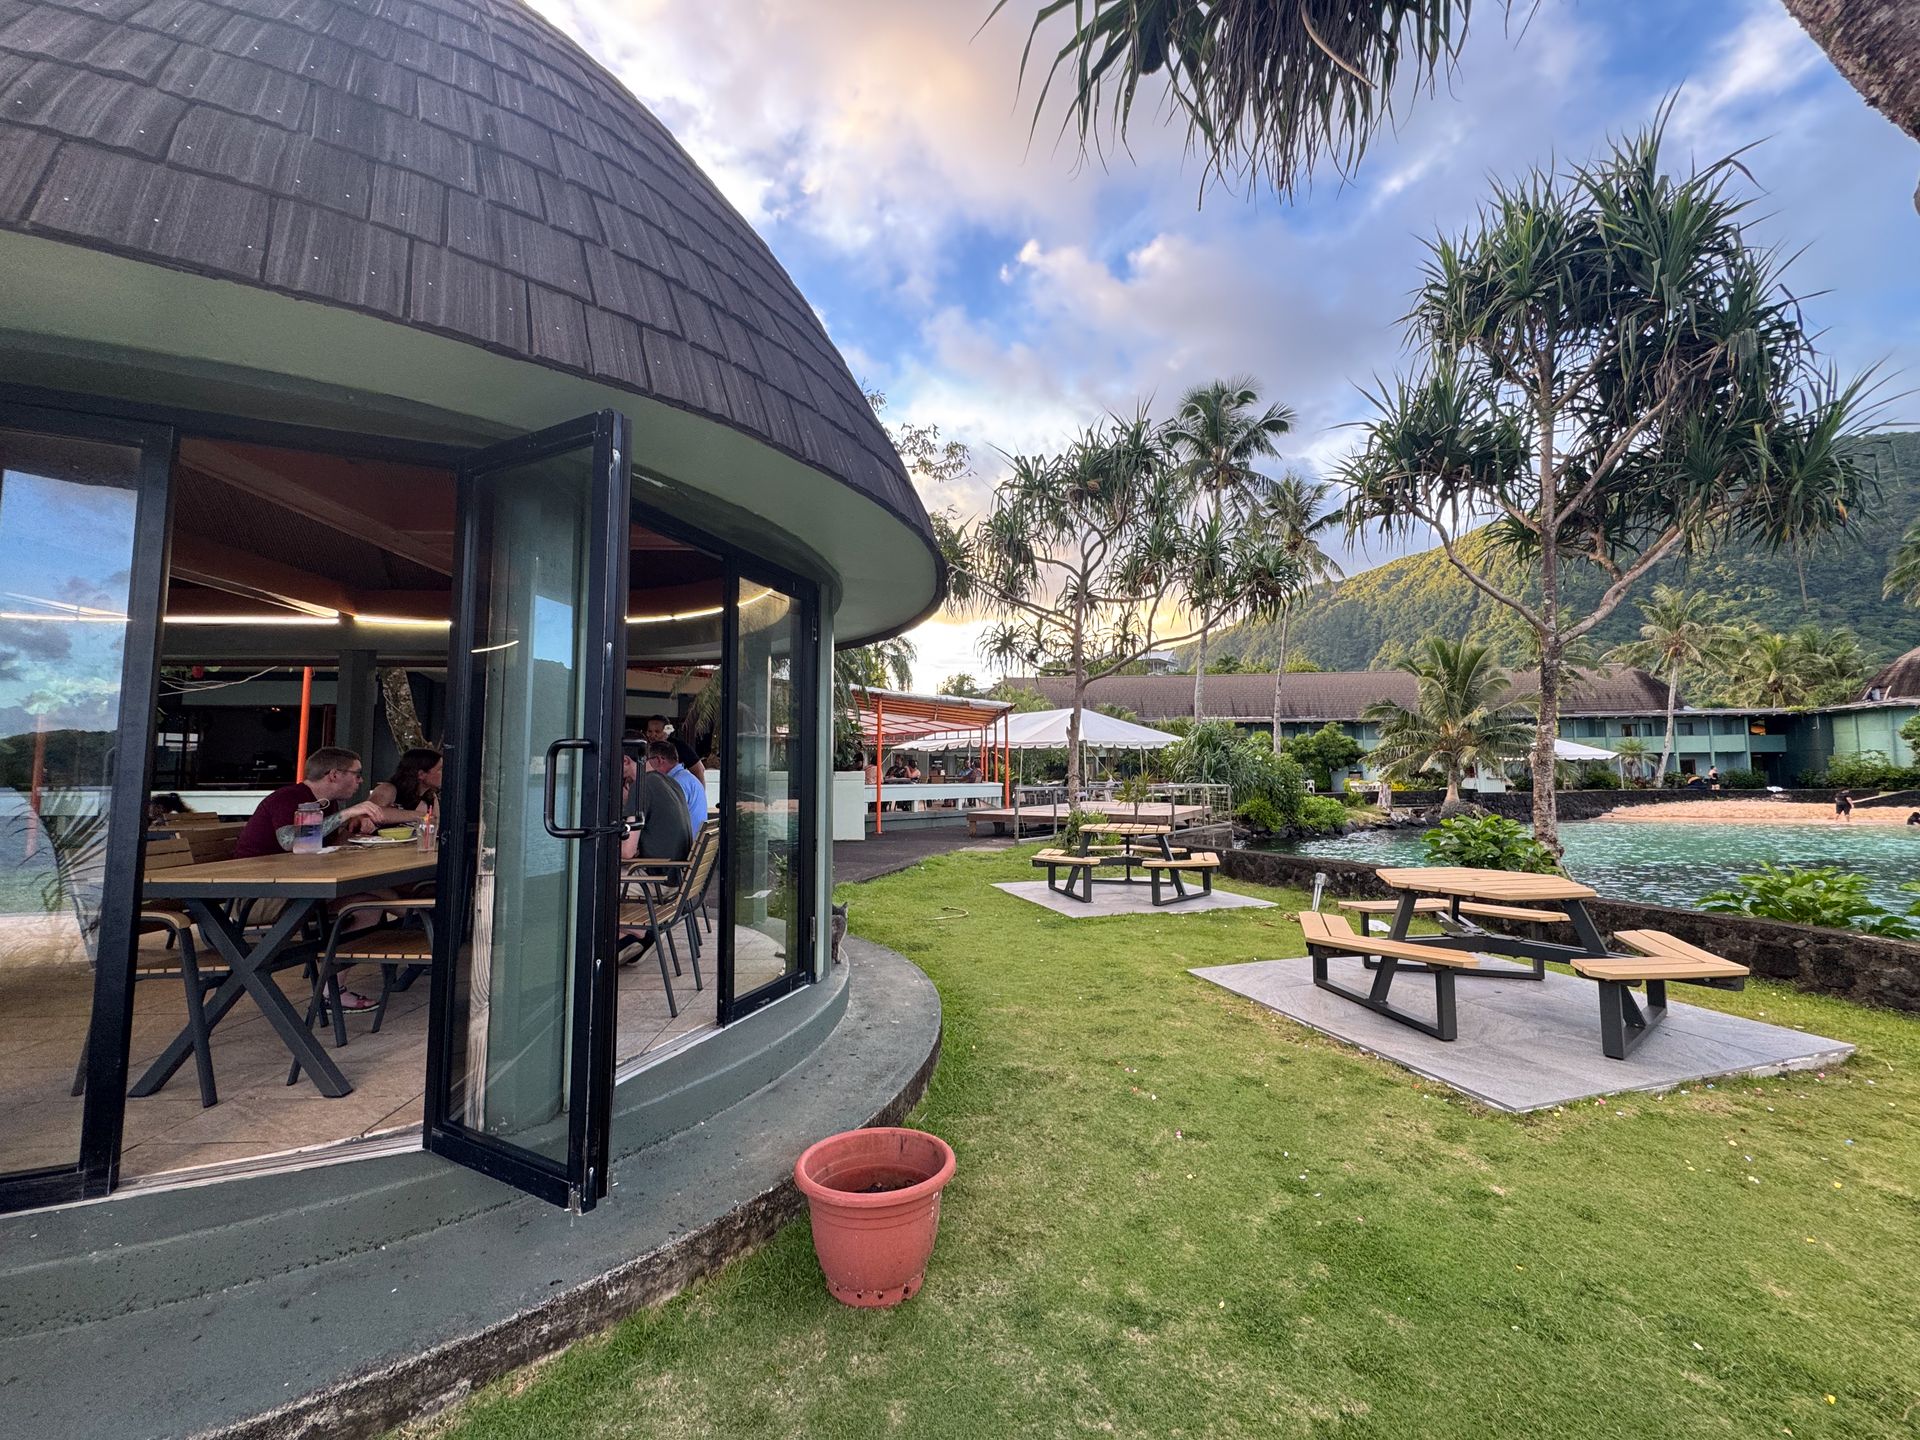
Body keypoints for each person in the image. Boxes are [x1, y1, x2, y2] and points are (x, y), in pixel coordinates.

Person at [234, 746, 382, 859]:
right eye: (357, 774)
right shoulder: (288, 797)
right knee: (374, 896)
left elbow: (327, 846)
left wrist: (353, 828)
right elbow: (290, 842)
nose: (361, 780)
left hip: (299, 877)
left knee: (382, 894)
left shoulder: (328, 803)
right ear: (334, 775)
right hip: (257, 886)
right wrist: (346, 813)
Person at [621, 741, 693, 868]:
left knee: (599, 881)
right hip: (675, 874)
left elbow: (627, 852)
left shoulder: (641, 786)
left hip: (655, 880)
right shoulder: (671, 782)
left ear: (625, 760)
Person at [368, 747, 443, 825]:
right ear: (421, 774)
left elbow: (434, 825)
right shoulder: (388, 789)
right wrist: (419, 815)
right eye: (440, 769)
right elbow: (370, 813)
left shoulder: (430, 797)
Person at [642, 714, 705, 783]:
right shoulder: (643, 746)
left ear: (667, 732)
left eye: (657, 731)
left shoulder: (680, 746)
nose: (653, 735)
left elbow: (699, 769)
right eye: (650, 731)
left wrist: (699, 791)